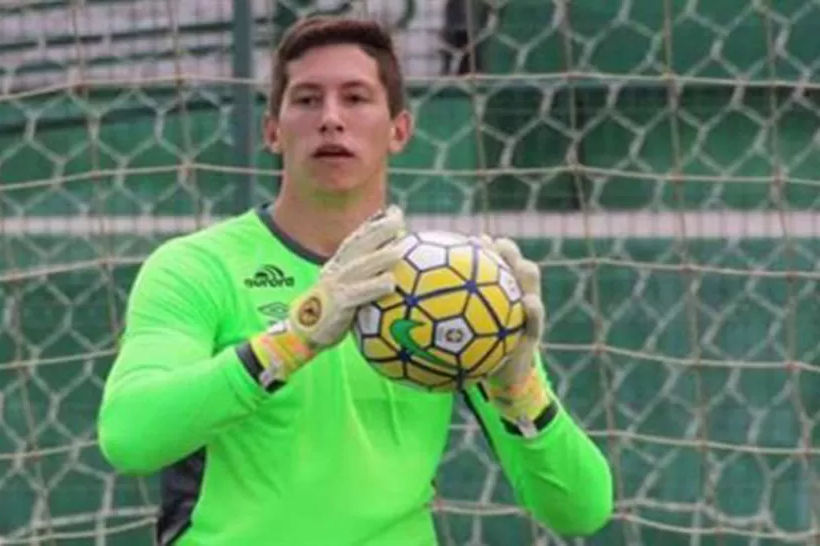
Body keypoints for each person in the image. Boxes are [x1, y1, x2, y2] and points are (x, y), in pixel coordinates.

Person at [96, 15, 614, 546]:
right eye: (306, 99)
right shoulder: (196, 267)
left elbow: (582, 509)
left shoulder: (455, 287)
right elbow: (131, 437)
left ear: (400, 130)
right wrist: (294, 339)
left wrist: (519, 388)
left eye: (356, 97)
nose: (331, 119)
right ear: (272, 131)